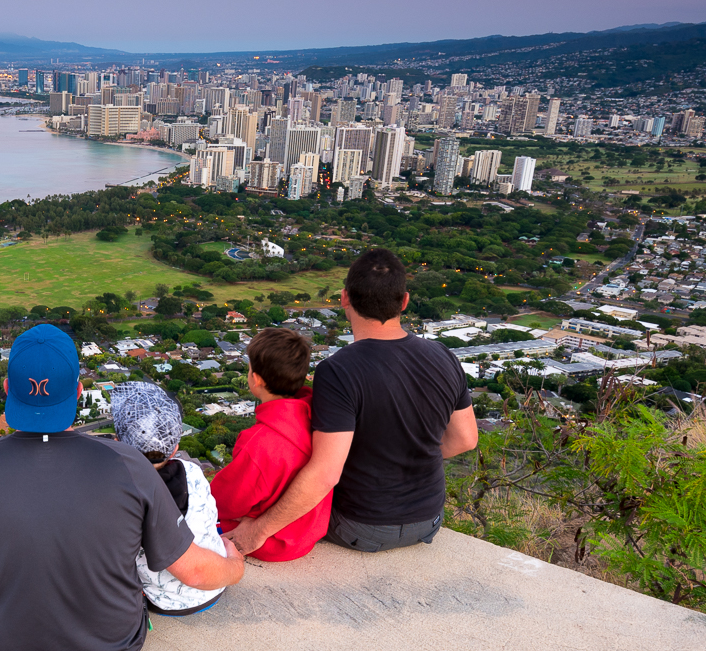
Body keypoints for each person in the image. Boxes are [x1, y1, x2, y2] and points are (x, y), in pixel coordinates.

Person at [0, 324, 244, 651]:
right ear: (79, 392)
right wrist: (235, 566)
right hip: (115, 648)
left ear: (7, 390)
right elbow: (194, 569)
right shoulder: (129, 464)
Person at [224, 249, 478, 556]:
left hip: (359, 525)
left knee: (238, 511)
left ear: (345, 298)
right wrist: (407, 459)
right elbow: (465, 439)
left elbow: (325, 473)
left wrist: (257, 532)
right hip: (429, 520)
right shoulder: (443, 356)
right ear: (404, 301)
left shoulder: (339, 370)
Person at [109, 381, 228, 616]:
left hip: (161, 601)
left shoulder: (117, 490)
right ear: (174, 448)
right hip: (214, 586)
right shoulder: (193, 473)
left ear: (118, 444)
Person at [210, 326, 327, 561]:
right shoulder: (318, 418)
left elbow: (226, 501)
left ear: (256, 379)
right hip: (307, 531)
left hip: (274, 542)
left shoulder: (259, 442)